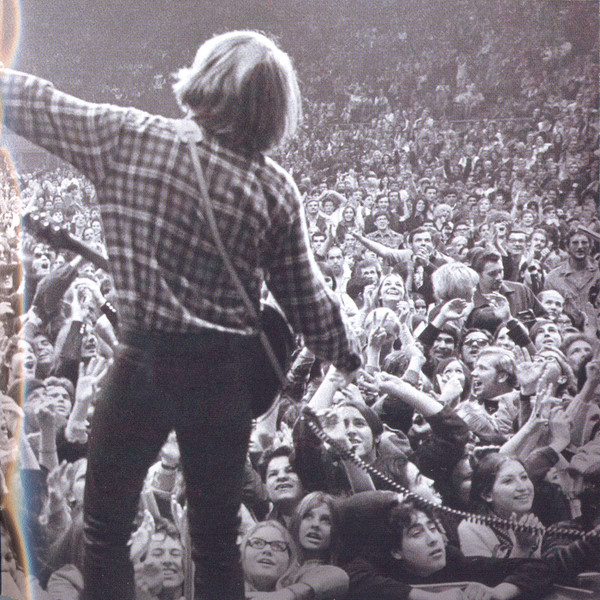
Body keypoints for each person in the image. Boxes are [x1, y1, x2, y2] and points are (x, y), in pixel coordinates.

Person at [1, 31, 360, 600]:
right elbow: (307, 301)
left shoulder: (128, 135)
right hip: (223, 379)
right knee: (216, 543)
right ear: (275, 108)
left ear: (204, 78)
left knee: (105, 532)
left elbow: (32, 99)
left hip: (141, 362)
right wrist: (348, 356)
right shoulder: (274, 188)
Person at [241, 520, 349, 600]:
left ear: (289, 559)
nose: (267, 550)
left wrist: (287, 594)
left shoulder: (296, 583)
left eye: (278, 546)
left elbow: (338, 575)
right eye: (257, 543)